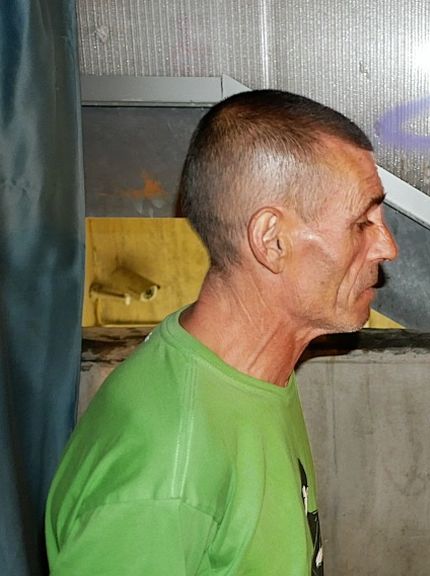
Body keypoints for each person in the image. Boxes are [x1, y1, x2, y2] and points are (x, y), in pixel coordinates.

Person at [45, 90, 398, 575]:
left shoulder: (252, 373)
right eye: (362, 222)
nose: (387, 246)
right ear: (272, 241)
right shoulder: (167, 475)